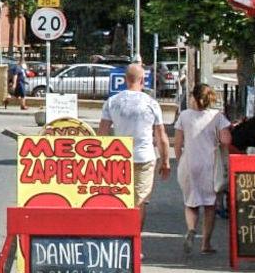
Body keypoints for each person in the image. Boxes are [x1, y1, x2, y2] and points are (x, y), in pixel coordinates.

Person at [171, 83, 233, 253]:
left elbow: (177, 143)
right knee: (210, 204)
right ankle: (206, 243)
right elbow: (226, 140)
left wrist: (179, 160)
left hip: (189, 162)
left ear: (194, 98)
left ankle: (191, 228)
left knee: (191, 202)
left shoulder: (184, 116)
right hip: (210, 164)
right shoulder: (217, 116)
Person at [99, 62, 171, 205]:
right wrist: (165, 161)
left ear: (125, 79)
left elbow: (102, 133)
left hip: (119, 157)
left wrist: (103, 159)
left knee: (120, 198)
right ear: (143, 80)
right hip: (144, 157)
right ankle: (135, 227)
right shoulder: (151, 103)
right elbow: (161, 136)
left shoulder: (112, 102)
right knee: (140, 200)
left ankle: (122, 227)